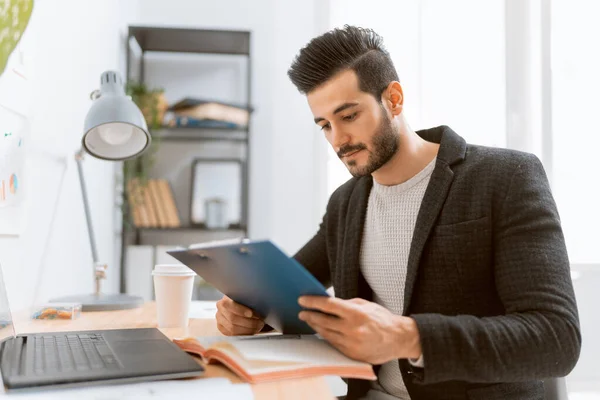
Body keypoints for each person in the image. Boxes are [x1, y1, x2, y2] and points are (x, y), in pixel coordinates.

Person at [215, 25, 581, 400]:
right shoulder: (346, 202)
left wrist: (406, 336)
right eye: (325, 125)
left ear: (394, 98)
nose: (338, 140)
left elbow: (556, 338)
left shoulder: (504, 178)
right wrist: (248, 315)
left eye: (349, 116)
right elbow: (286, 294)